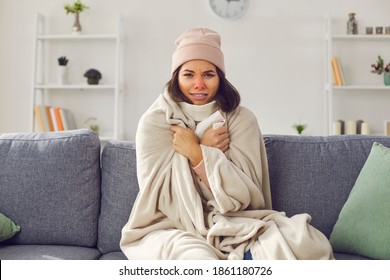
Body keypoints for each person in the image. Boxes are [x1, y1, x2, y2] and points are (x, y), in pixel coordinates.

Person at [120, 27, 334, 260]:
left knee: (305, 241)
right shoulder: (155, 123)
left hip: (235, 220)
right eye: (189, 74)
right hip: (170, 226)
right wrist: (204, 148)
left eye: (208, 75)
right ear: (176, 77)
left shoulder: (242, 120)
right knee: (195, 259)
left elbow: (248, 195)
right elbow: (157, 197)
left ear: (220, 78)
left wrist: (199, 154)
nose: (199, 84)